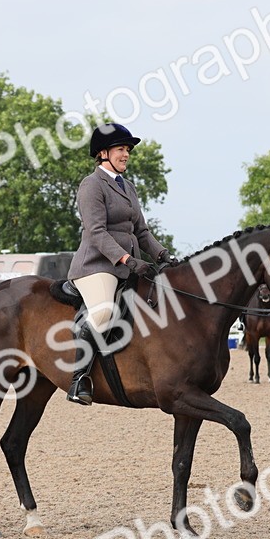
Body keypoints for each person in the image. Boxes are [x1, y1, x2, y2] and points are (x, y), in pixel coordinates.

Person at [65, 123, 176, 405]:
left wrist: (164, 256)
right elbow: (96, 232)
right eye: (120, 149)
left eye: (127, 150)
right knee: (103, 313)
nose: (126, 154)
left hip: (128, 266)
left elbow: (142, 232)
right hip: (96, 266)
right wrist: (127, 258)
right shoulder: (91, 185)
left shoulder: (127, 187)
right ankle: (79, 379)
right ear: (103, 153)